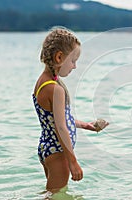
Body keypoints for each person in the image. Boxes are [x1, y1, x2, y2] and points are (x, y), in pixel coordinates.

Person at [32, 27, 108, 193]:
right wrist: (72, 161)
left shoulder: (42, 82)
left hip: (47, 148)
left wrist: (88, 125)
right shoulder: (55, 89)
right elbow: (60, 127)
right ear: (59, 57)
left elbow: (58, 120)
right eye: (73, 60)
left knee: (52, 194)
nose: (74, 66)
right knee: (56, 195)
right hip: (59, 152)